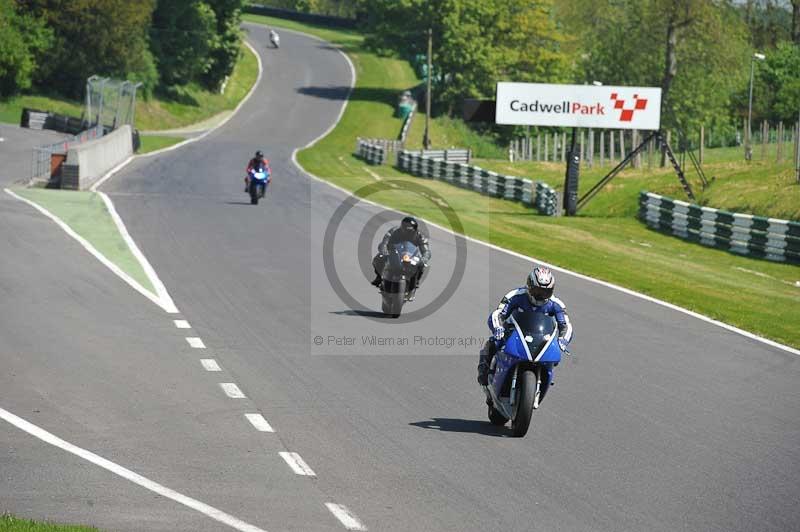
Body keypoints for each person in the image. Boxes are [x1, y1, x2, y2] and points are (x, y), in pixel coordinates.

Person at [477, 266, 573, 386]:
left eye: (545, 292)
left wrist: (563, 340)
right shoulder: (515, 296)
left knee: (554, 357)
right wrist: (498, 328)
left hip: (540, 337)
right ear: (529, 285)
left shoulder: (556, 304)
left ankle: (544, 379)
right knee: (494, 343)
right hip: (514, 332)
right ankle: (485, 372)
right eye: (537, 291)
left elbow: (565, 325)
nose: (540, 296)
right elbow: (498, 314)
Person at [371, 216, 431, 300]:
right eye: (405, 230)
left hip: (410, 256)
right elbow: (384, 242)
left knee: (421, 265)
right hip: (395, 253)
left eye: (410, 231)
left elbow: (426, 251)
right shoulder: (393, 231)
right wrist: (384, 250)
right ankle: (379, 277)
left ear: (415, 229)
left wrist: (424, 258)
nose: (407, 233)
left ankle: (414, 285)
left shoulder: (420, 236)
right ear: (402, 228)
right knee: (378, 258)